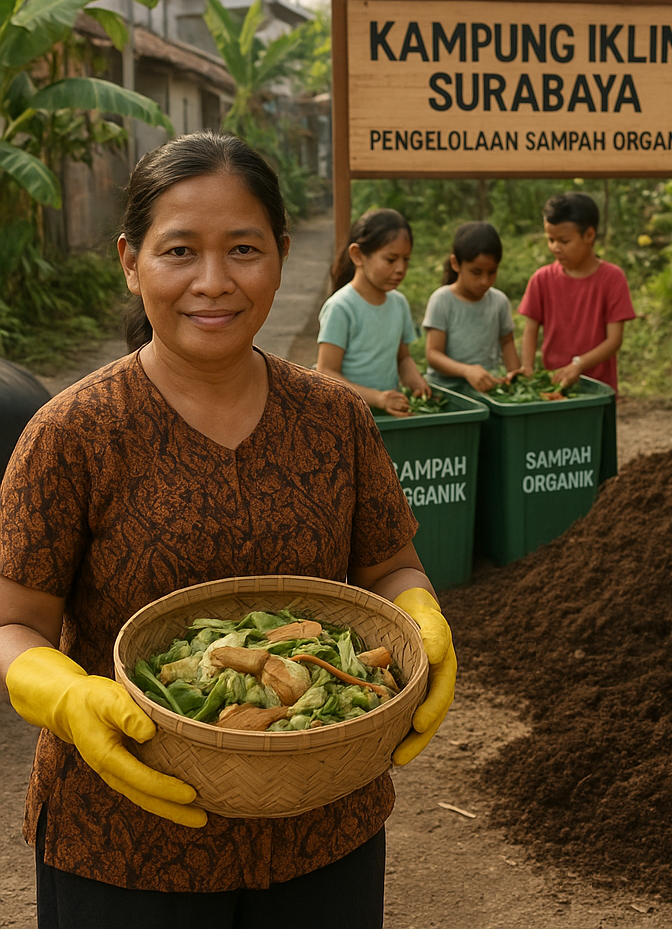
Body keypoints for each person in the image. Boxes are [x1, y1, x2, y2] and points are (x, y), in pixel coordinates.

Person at [0, 131, 457, 927]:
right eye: (179, 251)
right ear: (131, 261)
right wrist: (67, 698)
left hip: (323, 823)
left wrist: (420, 616)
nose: (213, 281)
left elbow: (390, 567)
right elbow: (16, 623)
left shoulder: (335, 418)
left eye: (243, 249)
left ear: (281, 257)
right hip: (127, 835)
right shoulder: (73, 433)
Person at [316, 208, 431, 417]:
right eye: (391, 260)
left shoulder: (399, 303)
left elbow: (403, 359)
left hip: (387, 415)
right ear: (358, 255)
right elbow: (326, 372)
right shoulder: (341, 307)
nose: (400, 269)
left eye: (406, 259)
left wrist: (416, 381)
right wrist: (378, 398)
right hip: (347, 417)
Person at [518, 191, 635, 393]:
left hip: (598, 389)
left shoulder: (612, 278)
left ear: (589, 235)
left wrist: (578, 365)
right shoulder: (541, 279)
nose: (555, 248)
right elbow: (530, 329)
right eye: (550, 240)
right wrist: (527, 368)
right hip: (554, 386)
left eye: (564, 241)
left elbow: (614, 340)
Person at [423, 221, 520, 392]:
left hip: (486, 389)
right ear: (455, 263)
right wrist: (466, 371)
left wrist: (515, 377)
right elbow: (433, 354)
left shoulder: (499, 301)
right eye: (476, 272)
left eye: (492, 272)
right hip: (446, 392)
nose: (484, 281)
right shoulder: (442, 300)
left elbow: (507, 342)